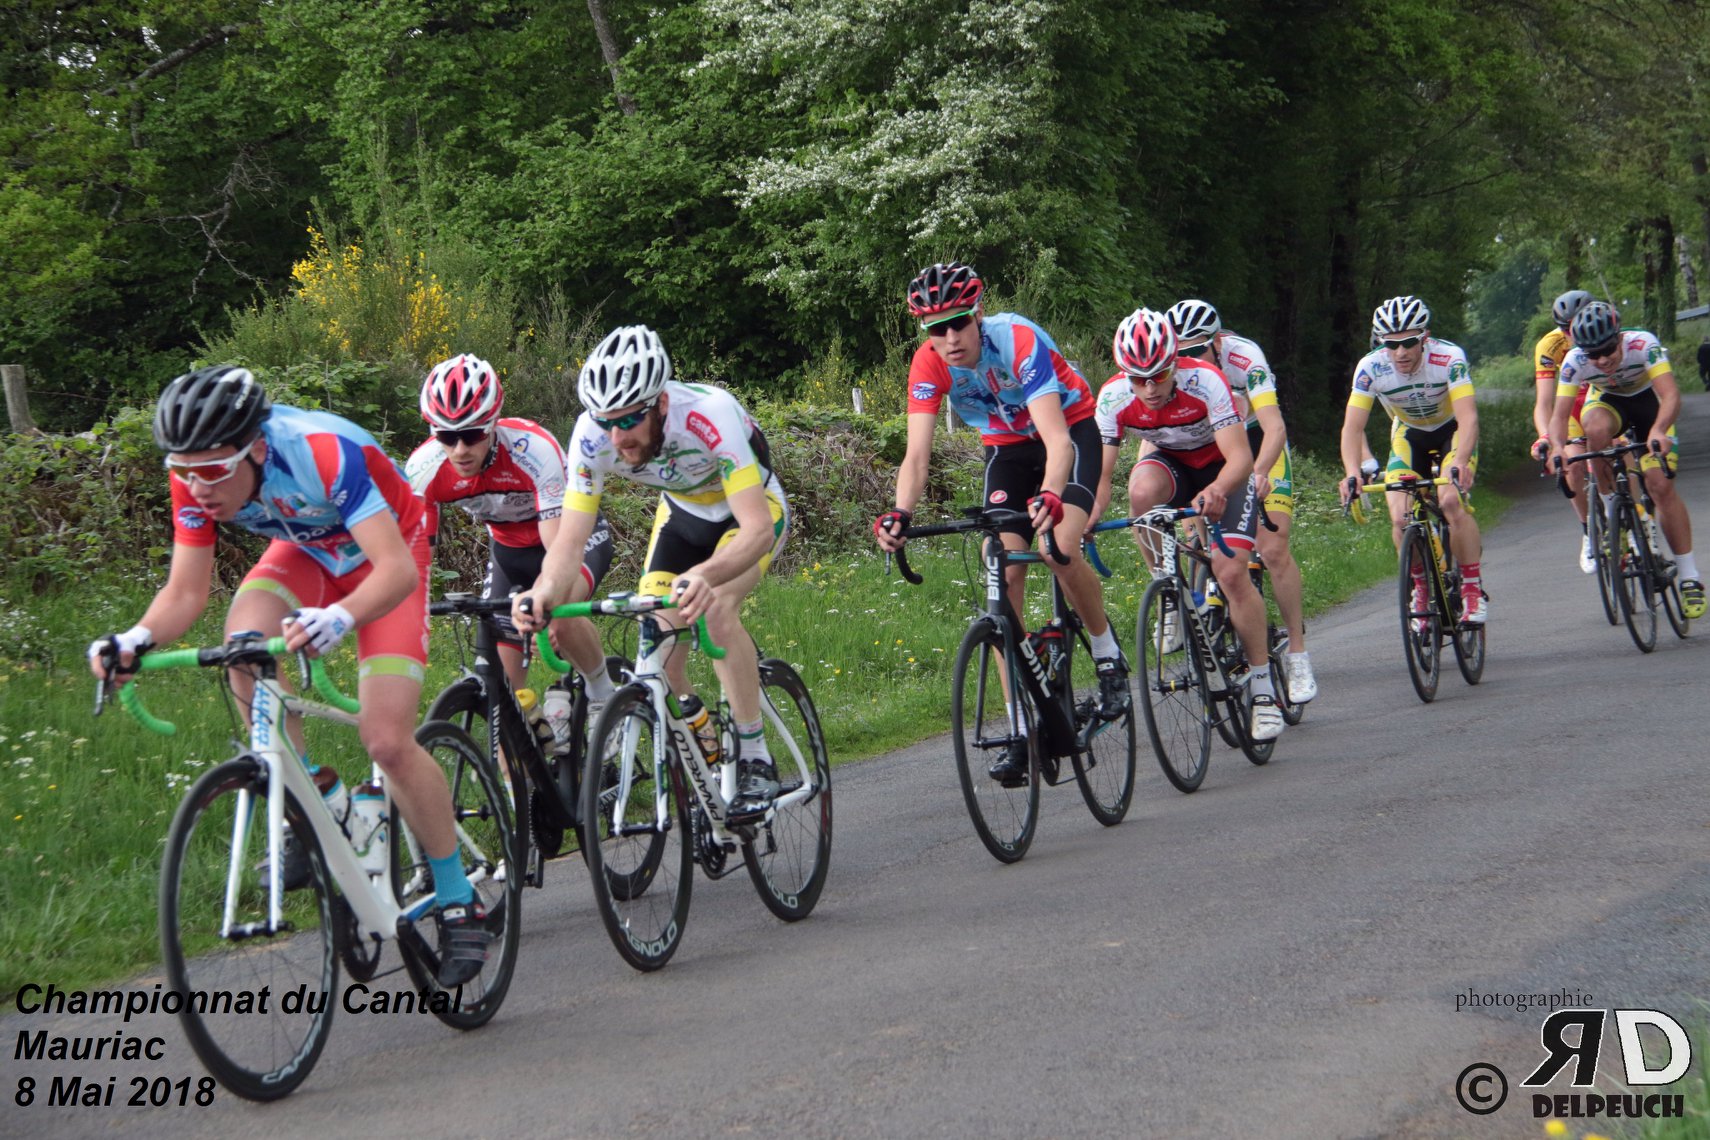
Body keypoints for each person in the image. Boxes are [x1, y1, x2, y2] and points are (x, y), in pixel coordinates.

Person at [87, 366, 492, 985]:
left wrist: (342, 616)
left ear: (254, 445)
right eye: (185, 470)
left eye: (214, 471)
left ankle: (457, 893)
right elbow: (186, 591)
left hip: (387, 559)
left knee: (385, 739)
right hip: (306, 553)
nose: (199, 487)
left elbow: (395, 571)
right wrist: (135, 639)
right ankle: (317, 801)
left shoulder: (321, 452)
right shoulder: (194, 475)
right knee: (242, 648)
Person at [512, 326, 790, 814]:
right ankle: (700, 735)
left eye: (631, 419)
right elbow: (568, 543)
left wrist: (706, 575)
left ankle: (753, 756)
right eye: (607, 422)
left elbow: (755, 530)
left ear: (661, 403)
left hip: (750, 514)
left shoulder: (710, 414)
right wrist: (543, 594)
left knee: (717, 608)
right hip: (681, 517)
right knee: (656, 651)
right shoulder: (591, 436)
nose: (618, 437)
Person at [872, 261, 1130, 783]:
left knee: (1058, 546)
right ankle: (1020, 729)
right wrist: (900, 512)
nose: (948, 338)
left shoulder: (1017, 341)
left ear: (978, 315)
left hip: (1069, 433)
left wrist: (1052, 496)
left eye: (958, 322)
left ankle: (1108, 658)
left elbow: (1057, 442)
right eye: (935, 329)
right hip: (1008, 450)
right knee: (1001, 566)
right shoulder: (927, 366)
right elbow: (916, 457)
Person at [1089, 307, 1283, 740]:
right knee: (1139, 493)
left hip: (1221, 468)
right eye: (1137, 378)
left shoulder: (1206, 381)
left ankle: (1264, 687)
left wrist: (1217, 491)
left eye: (1158, 375)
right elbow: (1101, 478)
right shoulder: (1113, 397)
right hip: (1172, 464)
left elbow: (1240, 458)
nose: (1149, 388)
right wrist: (1088, 515)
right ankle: (1168, 587)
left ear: (1174, 362)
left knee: (1231, 572)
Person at [406, 353, 617, 733]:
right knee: (502, 695)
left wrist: (545, 602)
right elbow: (419, 558)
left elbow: (559, 551)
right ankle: (524, 768)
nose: (459, 450)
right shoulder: (424, 470)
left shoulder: (532, 450)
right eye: (446, 437)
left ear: (492, 424)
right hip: (508, 553)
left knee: (560, 614)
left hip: (568, 540)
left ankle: (602, 691)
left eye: (471, 435)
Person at [1165, 299, 1316, 704]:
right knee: (1200, 537)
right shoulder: (1170, 367)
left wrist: (1261, 473)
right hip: (1211, 449)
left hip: (1257, 444)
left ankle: (1298, 654)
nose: (1188, 360)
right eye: (1180, 353)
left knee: (1273, 547)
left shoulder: (1245, 357)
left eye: (1197, 350)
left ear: (1218, 341)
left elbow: (1274, 427)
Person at [1547, 302, 1704, 618]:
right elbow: (1560, 416)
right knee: (1594, 429)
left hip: (1650, 406)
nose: (1602, 360)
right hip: (1608, 403)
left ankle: (1689, 578)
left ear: (1619, 337)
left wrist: (1659, 429)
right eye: (1593, 354)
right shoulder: (1574, 361)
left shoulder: (1643, 344)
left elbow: (1671, 395)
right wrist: (1557, 448)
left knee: (1659, 485)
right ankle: (1611, 514)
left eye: (1607, 349)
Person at [1337, 295, 1487, 623]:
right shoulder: (1370, 368)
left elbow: (1468, 419)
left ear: (1425, 337)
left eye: (1408, 342)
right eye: (1391, 344)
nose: (1400, 352)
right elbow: (1352, 428)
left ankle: (1472, 589)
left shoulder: (1449, 358)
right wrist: (1352, 473)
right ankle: (1420, 586)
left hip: (1453, 432)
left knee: (1450, 501)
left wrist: (1460, 461)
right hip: (1410, 436)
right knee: (1400, 517)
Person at [1531, 289, 1596, 572]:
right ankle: (1589, 530)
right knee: (1572, 466)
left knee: (1617, 452)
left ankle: (1640, 523)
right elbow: (1544, 402)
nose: (1571, 334)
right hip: (1570, 408)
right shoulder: (1550, 346)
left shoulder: (1604, 332)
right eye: (1564, 329)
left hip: (1604, 400)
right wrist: (1546, 437)